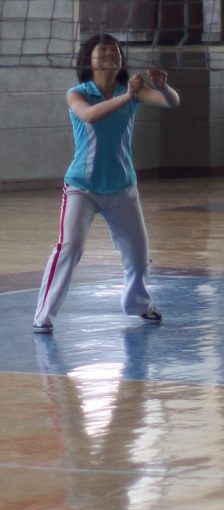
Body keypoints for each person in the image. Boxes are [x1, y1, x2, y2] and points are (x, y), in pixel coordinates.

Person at [33, 33, 180, 333]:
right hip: (82, 189)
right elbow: (90, 116)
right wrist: (126, 97)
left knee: (139, 256)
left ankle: (138, 304)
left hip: (123, 188)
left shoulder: (133, 92)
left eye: (115, 50)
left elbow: (172, 103)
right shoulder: (78, 93)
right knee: (69, 247)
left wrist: (163, 86)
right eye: (103, 51)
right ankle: (43, 316)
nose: (110, 54)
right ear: (89, 60)